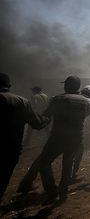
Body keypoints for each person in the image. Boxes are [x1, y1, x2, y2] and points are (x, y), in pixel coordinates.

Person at [38, 76, 90, 204]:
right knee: (68, 165)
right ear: (78, 88)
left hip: (57, 138)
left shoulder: (57, 99)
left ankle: (52, 192)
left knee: (43, 162)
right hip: (75, 138)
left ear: (66, 86)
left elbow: (45, 117)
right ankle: (63, 194)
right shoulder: (89, 102)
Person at [17, 85, 90, 194]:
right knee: (70, 160)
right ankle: (67, 183)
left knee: (44, 159)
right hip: (74, 136)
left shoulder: (60, 98)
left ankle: (28, 183)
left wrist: (40, 120)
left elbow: (48, 111)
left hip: (58, 134)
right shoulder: (87, 102)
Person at [0, 73, 48, 202]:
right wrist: (47, 118)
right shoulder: (23, 101)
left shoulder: (34, 98)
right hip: (11, 150)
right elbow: (38, 124)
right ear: (9, 85)